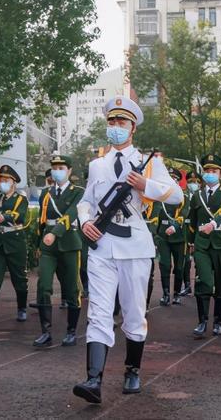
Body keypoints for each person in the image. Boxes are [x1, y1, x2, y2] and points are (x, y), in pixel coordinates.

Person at [73, 96, 183, 403]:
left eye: (121, 123)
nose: (116, 128)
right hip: (102, 246)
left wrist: (145, 186)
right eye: (112, 122)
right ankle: (93, 379)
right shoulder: (97, 165)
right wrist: (84, 222)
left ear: (132, 128)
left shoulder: (150, 164)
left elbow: (177, 197)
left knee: (134, 313)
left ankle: (132, 370)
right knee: (98, 313)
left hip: (135, 246)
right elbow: (85, 202)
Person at [33, 155, 84, 347]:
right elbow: (41, 220)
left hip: (69, 243)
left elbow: (72, 214)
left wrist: (55, 233)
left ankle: (71, 331)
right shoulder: (46, 193)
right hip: (48, 246)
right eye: (54, 167)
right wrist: (40, 243)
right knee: (43, 286)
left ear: (69, 171)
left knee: (71, 289)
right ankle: (45, 331)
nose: (57, 171)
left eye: (61, 167)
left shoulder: (78, 192)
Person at [188, 154, 221, 338]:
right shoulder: (197, 196)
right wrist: (191, 242)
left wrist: (213, 224)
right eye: (207, 170)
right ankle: (202, 322)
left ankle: (217, 322)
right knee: (204, 282)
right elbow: (191, 222)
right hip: (202, 245)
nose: (210, 174)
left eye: (214, 171)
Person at [0, 165, 29, 322]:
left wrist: (5, 217)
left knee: (19, 278)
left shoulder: (21, 199)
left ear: (13, 182)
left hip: (15, 241)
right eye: (1, 180)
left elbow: (20, 215)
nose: (2, 182)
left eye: (6, 180)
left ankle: (22, 307)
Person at [155, 167, 189, 306]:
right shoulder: (159, 198)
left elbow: (184, 213)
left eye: (174, 178)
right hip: (163, 235)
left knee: (179, 267)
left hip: (179, 236)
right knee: (164, 264)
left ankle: (176, 293)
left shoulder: (183, 197)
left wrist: (174, 226)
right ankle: (166, 293)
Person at [180, 170, 202, 297]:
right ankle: (186, 285)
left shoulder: (202, 197)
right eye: (190, 182)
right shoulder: (183, 197)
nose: (193, 184)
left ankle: (200, 284)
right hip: (185, 232)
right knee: (186, 261)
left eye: (196, 182)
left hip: (199, 232)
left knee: (199, 260)